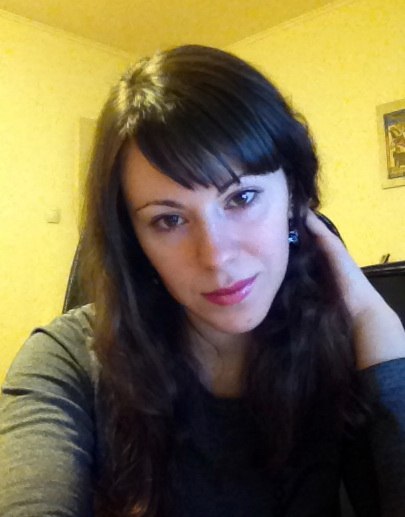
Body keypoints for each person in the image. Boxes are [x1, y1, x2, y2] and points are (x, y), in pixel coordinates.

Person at [0, 45, 404, 517]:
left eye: (242, 198)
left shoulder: (343, 349)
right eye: (169, 220)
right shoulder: (66, 360)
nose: (215, 257)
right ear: (134, 239)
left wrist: (372, 318)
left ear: (294, 196)